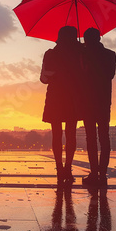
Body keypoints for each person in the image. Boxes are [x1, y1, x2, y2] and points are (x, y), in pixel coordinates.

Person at [40, 26, 84, 185]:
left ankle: (59, 169)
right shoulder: (80, 53)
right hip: (73, 97)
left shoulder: (50, 54)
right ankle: (68, 168)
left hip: (55, 97)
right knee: (71, 134)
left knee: (56, 135)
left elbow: (43, 79)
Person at [81, 27, 116, 187]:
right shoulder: (110, 54)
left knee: (91, 138)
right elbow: (110, 75)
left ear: (86, 40)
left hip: (87, 101)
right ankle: (103, 173)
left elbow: (80, 76)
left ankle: (94, 172)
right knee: (104, 136)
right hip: (104, 101)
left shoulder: (84, 55)